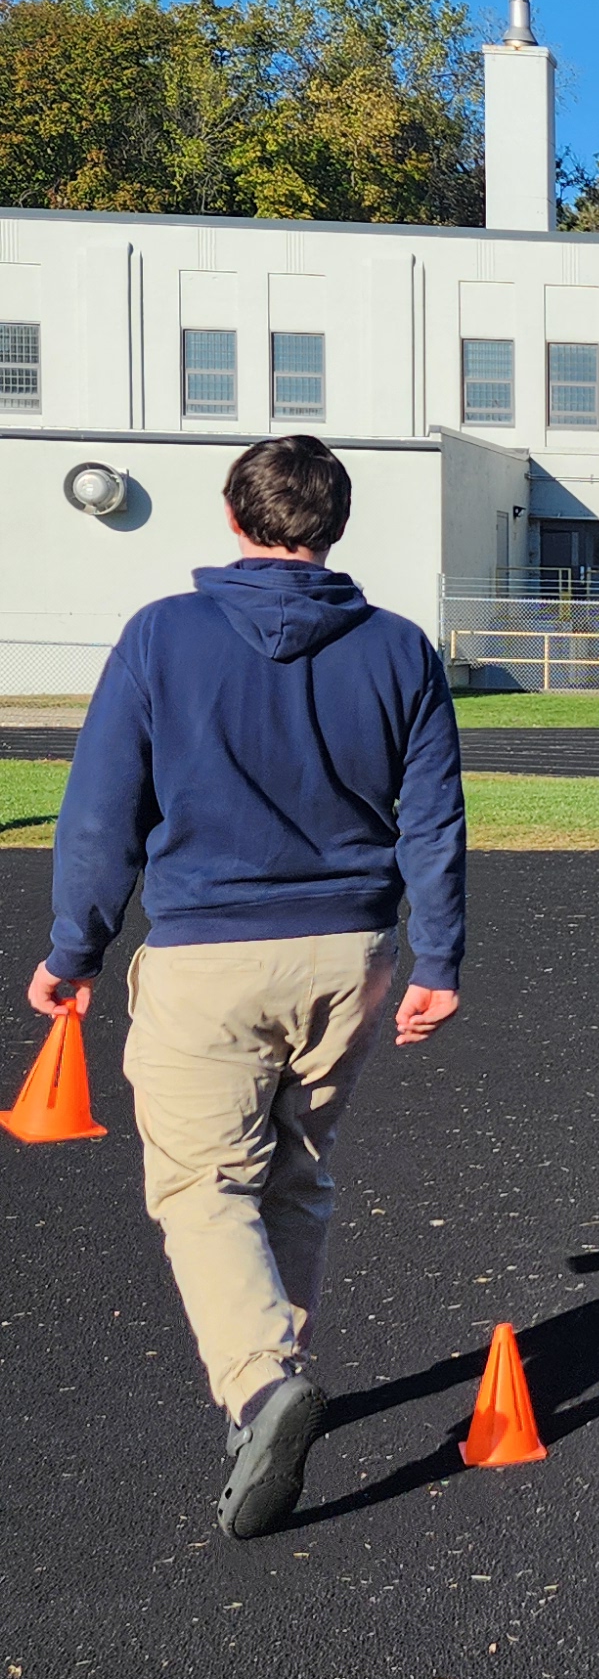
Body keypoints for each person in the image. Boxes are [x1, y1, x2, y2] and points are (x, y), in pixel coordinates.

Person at [25, 436, 465, 1541]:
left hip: (208, 951)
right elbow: (434, 822)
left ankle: (265, 1388)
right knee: (299, 1172)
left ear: (232, 513)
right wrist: (441, 958)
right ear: (337, 524)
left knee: (200, 1187)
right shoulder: (400, 649)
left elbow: (99, 814)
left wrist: (73, 949)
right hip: (350, 951)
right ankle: (271, 1386)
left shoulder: (161, 638)